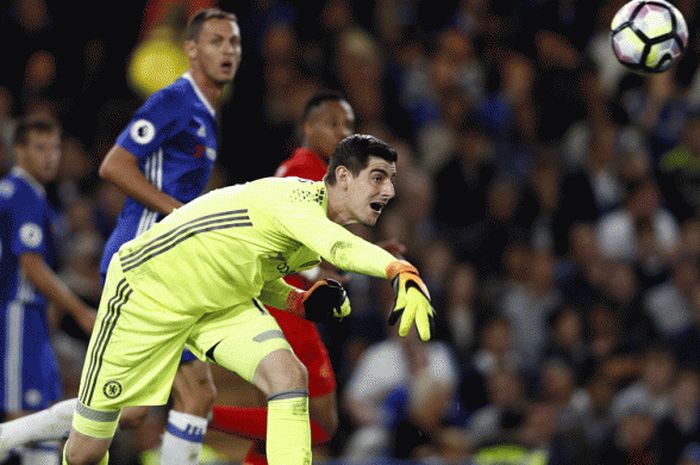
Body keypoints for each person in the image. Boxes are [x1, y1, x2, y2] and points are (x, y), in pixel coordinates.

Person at [62, 133, 435, 465]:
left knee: (288, 374)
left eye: (390, 180)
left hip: (221, 302)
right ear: (342, 177)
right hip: (148, 291)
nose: (388, 191)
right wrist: (400, 270)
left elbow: (257, 275)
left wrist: (298, 301)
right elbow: (339, 248)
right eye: (377, 177)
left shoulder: (312, 230)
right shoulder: (298, 200)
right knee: (86, 452)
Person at [0, 8, 241, 465]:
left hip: (169, 272)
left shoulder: (208, 117)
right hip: (143, 268)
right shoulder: (174, 102)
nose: (227, 52)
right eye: (215, 41)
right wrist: (178, 213)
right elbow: (114, 165)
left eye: (233, 43)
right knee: (165, 402)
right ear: (190, 50)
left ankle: (7, 437)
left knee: (160, 404)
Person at [208, 90, 357, 464]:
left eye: (349, 126)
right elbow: (279, 244)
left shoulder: (305, 172)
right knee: (322, 422)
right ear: (308, 127)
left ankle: (201, 413)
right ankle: (202, 413)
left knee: (277, 429)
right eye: (333, 123)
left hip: (284, 303)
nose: (343, 133)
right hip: (285, 305)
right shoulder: (304, 173)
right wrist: (322, 268)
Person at [0, 117, 96, 464]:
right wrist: (80, 310)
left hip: (31, 312)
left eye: (54, 147)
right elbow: (32, 266)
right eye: (40, 148)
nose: (50, 156)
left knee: (37, 411)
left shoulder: (31, 194)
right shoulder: (23, 194)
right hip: (16, 312)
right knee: (22, 412)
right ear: (19, 151)